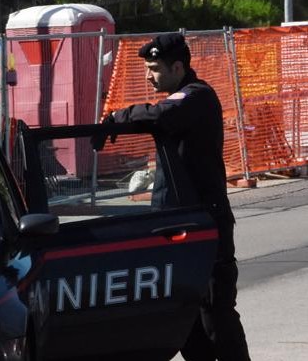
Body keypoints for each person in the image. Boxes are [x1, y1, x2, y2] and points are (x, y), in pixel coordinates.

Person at [95, 33, 249, 361]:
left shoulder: (197, 97)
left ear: (177, 67)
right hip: (176, 226)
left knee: (214, 315)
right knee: (184, 318)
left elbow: (158, 115)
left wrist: (114, 120)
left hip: (205, 225)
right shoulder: (182, 98)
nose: (149, 75)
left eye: (154, 68)